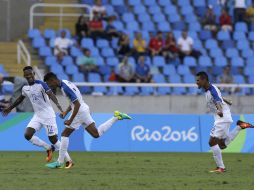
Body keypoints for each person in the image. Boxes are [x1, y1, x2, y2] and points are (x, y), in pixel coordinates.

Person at [43, 72, 131, 168]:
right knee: (96, 134)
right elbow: (74, 101)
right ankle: (116, 117)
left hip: (79, 111)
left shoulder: (65, 88)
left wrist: (70, 120)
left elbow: (77, 104)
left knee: (64, 134)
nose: (49, 86)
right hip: (84, 108)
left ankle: (60, 162)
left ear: (53, 80)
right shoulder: (65, 82)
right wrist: (65, 112)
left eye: (49, 84)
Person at [1, 66, 73, 168]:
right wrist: (9, 108)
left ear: (33, 74)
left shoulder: (41, 84)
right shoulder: (25, 88)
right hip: (38, 116)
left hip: (48, 116)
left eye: (30, 74)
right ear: (24, 76)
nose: (29, 76)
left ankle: (69, 160)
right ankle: (48, 148)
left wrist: (58, 105)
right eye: (26, 75)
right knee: (27, 135)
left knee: (53, 139)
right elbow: (19, 99)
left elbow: (51, 94)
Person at [196, 71, 253, 173]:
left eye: (198, 80)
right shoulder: (210, 89)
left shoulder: (212, 89)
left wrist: (219, 110)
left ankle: (221, 168)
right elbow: (219, 97)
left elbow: (217, 100)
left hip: (222, 118)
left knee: (211, 141)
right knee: (222, 144)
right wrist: (226, 101)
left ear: (204, 80)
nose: (197, 82)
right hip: (222, 118)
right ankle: (240, 126)